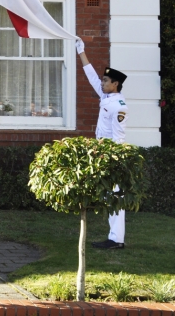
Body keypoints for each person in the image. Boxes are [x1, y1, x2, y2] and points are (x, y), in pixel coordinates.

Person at [76, 39, 129, 249]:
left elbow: (119, 136)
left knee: (116, 195)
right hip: (103, 152)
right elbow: (92, 78)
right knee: (110, 195)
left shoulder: (119, 106)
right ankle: (113, 237)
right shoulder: (107, 97)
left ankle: (116, 239)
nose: (102, 83)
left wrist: (111, 158)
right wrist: (82, 52)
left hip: (111, 154)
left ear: (115, 84)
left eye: (106, 81)